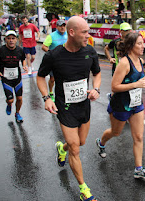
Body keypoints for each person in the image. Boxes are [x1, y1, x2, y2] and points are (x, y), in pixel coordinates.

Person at [36, 16, 101, 201]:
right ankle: (84, 189)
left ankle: (61, 148)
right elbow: (40, 77)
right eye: (84, 32)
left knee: (80, 142)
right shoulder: (54, 55)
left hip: (84, 105)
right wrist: (47, 98)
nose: (88, 36)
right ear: (71, 33)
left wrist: (96, 89)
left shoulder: (90, 52)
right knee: (75, 148)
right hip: (64, 107)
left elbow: (96, 74)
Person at [96, 32, 145, 179]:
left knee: (139, 136)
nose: (143, 46)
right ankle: (101, 142)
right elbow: (114, 87)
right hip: (121, 104)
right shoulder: (124, 63)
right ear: (130, 46)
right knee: (115, 133)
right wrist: (136, 84)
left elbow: (139, 77)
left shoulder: (139, 60)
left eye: (143, 43)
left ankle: (138, 169)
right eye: (139, 43)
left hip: (135, 104)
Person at [0, 30, 27, 123]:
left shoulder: (20, 50)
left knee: (19, 98)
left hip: (17, 77)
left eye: (13, 38)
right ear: (5, 39)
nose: (11, 40)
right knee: (10, 100)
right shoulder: (0, 50)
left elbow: (23, 59)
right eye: (9, 38)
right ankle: (9, 104)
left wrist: (24, 65)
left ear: (16, 39)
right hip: (6, 78)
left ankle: (17, 113)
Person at [41, 20, 67, 102]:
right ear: (57, 27)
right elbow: (44, 46)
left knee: (65, 78)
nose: (62, 27)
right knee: (52, 79)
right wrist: (52, 54)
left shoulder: (68, 35)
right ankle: (51, 92)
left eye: (64, 26)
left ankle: (64, 94)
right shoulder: (52, 36)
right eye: (60, 26)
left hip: (65, 60)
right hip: (54, 61)